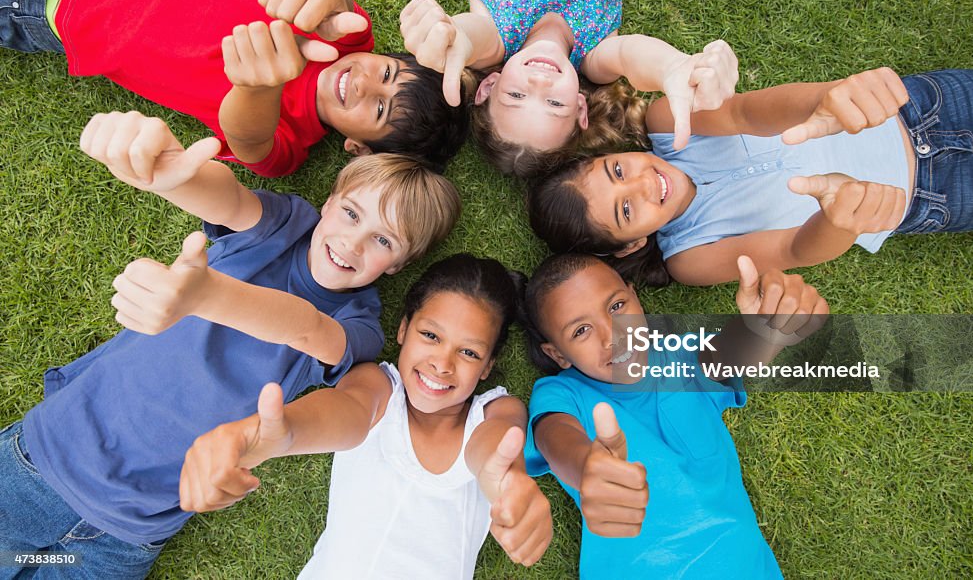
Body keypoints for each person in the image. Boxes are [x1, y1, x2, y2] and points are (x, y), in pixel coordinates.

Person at [0, 111, 460, 578]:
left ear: (399, 265)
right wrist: (171, 176)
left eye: (382, 240)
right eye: (350, 213)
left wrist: (210, 297)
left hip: (129, 532)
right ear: (328, 202)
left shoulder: (359, 323)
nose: (353, 242)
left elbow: (306, 329)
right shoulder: (285, 224)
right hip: (46, 458)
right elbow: (227, 200)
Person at [0, 0, 466, 176]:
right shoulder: (348, 39)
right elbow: (338, 5)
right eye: (386, 72)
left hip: (32, 2)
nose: (366, 83)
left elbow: (248, 140)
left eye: (379, 108)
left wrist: (258, 87)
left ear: (358, 148)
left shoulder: (288, 142)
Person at [179, 254, 553, 578]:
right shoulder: (378, 388)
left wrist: (508, 484)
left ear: (488, 366)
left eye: (469, 353)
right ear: (403, 328)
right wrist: (275, 435)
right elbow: (345, 413)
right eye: (431, 335)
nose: (443, 363)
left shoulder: (497, 412)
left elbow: (495, 453)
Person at [527, 67, 973, 286]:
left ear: (613, 152)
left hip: (915, 107)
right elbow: (793, 252)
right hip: (930, 197)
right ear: (630, 246)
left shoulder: (667, 124)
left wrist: (823, 100)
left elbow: (747, 114)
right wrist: (841, 221)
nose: (641, 183)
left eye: (618, 170)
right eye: (627, 210)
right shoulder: (690, 259)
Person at [521, 252, 828, 578]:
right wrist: (587, 467)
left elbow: (732, 355)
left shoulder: (681, 356)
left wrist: (767, 325)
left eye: (616, 307)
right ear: (558, 355)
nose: (611, 335)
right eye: (581, 330)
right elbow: (554, 437)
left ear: (635, 296)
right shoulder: (562, 393)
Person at [398, 0, 738, 177]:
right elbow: (632, 55)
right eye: (554, 104)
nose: (539, 84)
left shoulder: (495, 37)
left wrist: (455, 38)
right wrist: (671, 67)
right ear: (579, 108)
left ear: (490, 86)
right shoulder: (595, 56)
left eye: (516, 94)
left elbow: (470, 39)